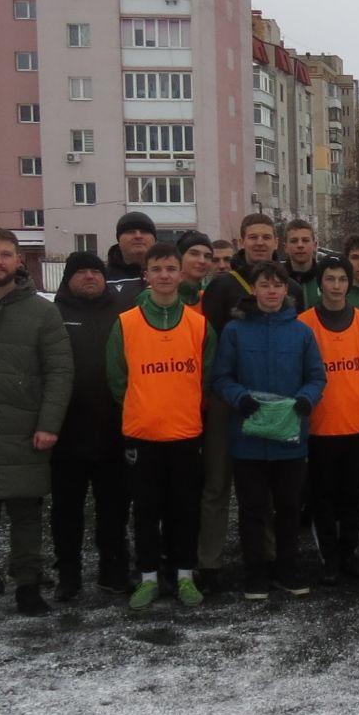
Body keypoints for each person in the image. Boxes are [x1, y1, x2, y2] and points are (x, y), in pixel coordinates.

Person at [0, 228, 73, 617]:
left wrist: (49, 424)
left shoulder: (42, 311)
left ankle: (28, 585)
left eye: (6, 254)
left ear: (18, 261)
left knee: (26, 515)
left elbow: (60, 371)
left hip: (24, 430)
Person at [106, 242, 214, 608]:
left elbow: (207, 378)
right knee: (146, 510)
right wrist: (145, 405)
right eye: (157, 269)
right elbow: (117, 379)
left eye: (170, 269)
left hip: (185, 433)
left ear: (181, 274)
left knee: (185, 509)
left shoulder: (199, 325)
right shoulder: (126, 323)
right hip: (143, 434)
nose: (164, 276)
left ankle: (184, 575)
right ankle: (149, 577)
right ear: (146, 275)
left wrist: (184, 407)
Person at [215, 262, 325, 600]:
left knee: (289, 507)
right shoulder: (235, 331)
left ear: (286, 290)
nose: (271, 291)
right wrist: (239, 397)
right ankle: (255, 573)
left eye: (278, 285)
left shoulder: (301, 332)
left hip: (290, 437)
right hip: (248, 436)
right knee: (252, 508)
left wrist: (306, 399)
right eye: (265, 285)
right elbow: (221, 376)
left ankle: (287, 569)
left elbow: (316, 376)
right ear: (253, 289)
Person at [50, 250, 131, 601]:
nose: (89, 277)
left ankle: (113, 570)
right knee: (66, 510)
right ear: (68, 279)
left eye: (95, 272)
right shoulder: (54, 314)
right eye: (81, 272)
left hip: (113, 429)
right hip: (67, 431)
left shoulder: (123, 314)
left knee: (114, 507)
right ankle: (68, 574)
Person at [300, 260, 359, 583]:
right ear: (320, 284)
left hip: (358, 421)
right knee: (323, 497)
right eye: (329, 279)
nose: (336, 285)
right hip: (321, 424)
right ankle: (329, 557)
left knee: (352, 496)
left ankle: (349, 553)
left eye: (342, 279)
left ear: (349, 283)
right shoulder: (304, 324)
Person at [103, 211, 156, 304]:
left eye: (144, 232)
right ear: (119, 240)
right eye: (130, 232)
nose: (138, 236)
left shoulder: (169, 274)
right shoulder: (103, 278)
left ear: (154, 239)